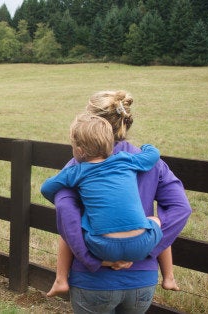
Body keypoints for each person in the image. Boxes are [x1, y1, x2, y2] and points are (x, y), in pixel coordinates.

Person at [50, 90, 191, 313]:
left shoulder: (80, 164)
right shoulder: (149, 162)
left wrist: (95, 260)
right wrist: (145, 247)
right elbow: (181, 208)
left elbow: (66, 214)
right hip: (142, 280)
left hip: (93, 279)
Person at [42, 113, 166, 298]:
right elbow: (152, 156)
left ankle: (103, 264)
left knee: (82, 223)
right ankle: (168, 274)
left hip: (101, 247)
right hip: (141, 244)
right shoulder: (126, 160)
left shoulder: (77, 171)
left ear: (80, 150)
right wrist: (146, 146)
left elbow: (46, 188)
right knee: (155, 219)